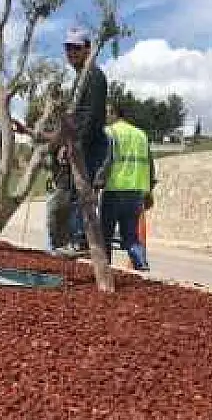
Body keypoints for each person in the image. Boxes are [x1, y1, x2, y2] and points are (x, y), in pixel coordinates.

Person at [58, 26, 109, 254]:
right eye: (68, 49)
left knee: (82, 194)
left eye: (76, 49)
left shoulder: (94, 76)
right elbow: (74, 116)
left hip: (89, 144)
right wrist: (65, 143)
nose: (71, 54)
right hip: (78, 143)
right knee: (74, 192)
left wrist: (77, 145)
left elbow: (93, 116)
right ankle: (77, 239)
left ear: (88, 50)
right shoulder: (80, 78)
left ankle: (81, 240)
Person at [98, 103, 156, 271]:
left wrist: (97, 184)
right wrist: (149, 191)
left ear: (115, 114)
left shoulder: (110, 132)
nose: (105, 117)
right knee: (131, 237)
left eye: (107, 113)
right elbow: (150, 165)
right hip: (136, 193)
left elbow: (106, 161)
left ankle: (104, 270)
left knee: (105, 237)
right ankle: (142, 266)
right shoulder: (141, 135)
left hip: (113, 191)